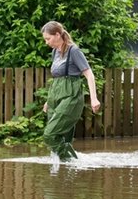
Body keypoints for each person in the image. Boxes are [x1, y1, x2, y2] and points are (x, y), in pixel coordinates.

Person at [41, 21, 101, 162]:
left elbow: (89, 74)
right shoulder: (55, 52)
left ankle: (73, 163)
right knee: (62, 139)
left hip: (71, 97)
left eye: (48, 38)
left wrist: (94, 98)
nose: (46, 42)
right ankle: (67, 173)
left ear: (57, 35)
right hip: (55, 98)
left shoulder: (73, 51)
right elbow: (57, 79)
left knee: (49, 135)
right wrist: (48, 101)